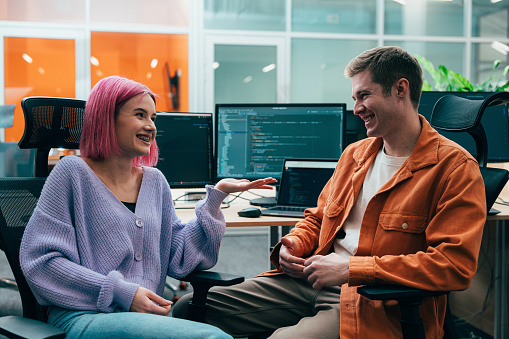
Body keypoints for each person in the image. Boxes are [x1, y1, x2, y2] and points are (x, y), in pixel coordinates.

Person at [172, 46, 487, 338]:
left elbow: (452, 267)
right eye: (354, 98)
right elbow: (318, 218)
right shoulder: (356, 154)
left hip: (374, 300)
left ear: (400, 89)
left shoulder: (454, 168)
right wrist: (293, 243)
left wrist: (351, 269)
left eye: (364, 95)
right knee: (189, 309)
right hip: (312, 277)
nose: (356, 108)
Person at [19, 75, 277, 339]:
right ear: (106, 118)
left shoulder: (154, 181)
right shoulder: (71, 174)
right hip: (83, 316)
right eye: (140, 114)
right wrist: (122, 292)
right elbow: (42, 263)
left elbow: (179, 258)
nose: (150, 126)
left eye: (153, 118)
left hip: (145, 319)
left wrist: (216, 198)